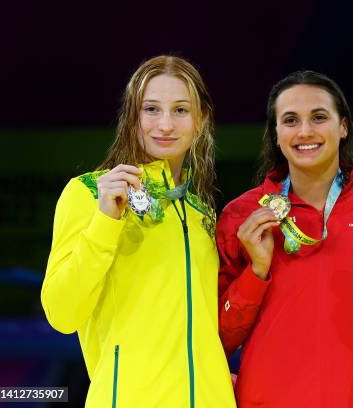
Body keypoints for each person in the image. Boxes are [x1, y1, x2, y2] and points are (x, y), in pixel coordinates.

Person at [41, 56, 235, 407]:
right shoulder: (88, 194)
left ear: (201, 119)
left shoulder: (201, 212)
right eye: (151, 109)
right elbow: (61, 313)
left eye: (180, 110)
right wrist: (105, 222)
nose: (165, 124)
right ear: (132, 116)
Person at [216, 71, 353, 407]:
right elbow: (218, 338)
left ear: (344, 127)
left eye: (319, 117)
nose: (305, 131)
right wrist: (257, 272)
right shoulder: (243, 216)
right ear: (276, 134)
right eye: (291, 120)